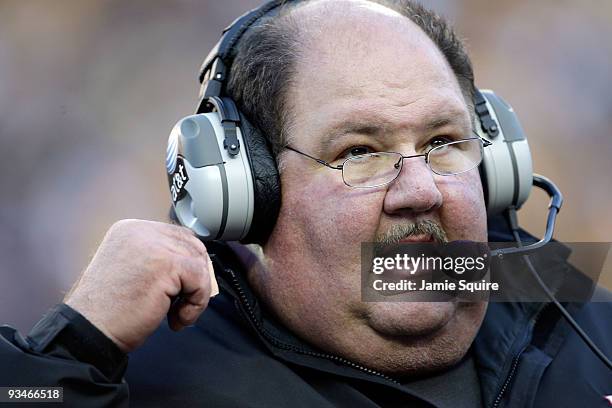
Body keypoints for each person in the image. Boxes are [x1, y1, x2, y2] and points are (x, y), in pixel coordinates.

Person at [1, 0, 610, 407]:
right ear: (244, 191)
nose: (421, 190)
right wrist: (68, 355)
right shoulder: (133, 378)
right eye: (359, 152)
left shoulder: (585, 319)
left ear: (499, 162)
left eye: (444, 143)